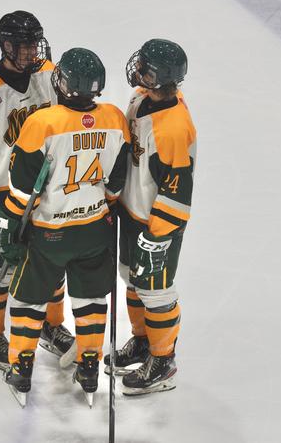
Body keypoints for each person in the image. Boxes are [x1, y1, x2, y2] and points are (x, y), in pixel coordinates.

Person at [0, 47, 130, 405]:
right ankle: (89, 365)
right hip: (94, 229)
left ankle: (21, 368)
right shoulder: (115, 118)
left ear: (62, 84)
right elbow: (117, 183)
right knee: (90, 299)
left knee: (29, 299)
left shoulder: (42, 122)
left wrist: (8, 225)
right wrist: (98, 207)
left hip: (49, 233)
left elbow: (22, 189)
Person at [0, 11, 73, 371]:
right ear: (5, 45)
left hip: (45, 188)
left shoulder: (50, 75)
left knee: (52, 262)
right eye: (23, 45)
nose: (31, 51)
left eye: (34, 43)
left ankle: (51, 325)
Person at [104, 39, 196, 396]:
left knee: (156, 291)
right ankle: (143, 341)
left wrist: (157, 237)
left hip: (157, 224)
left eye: (144, 68)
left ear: (158, 77)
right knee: (132, 279)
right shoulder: (140, 97)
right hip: (132, 211)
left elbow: (177, 192)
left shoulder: (174, 129)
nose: (137, 70)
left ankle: (164, 361)